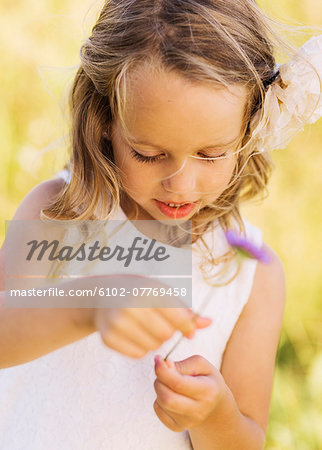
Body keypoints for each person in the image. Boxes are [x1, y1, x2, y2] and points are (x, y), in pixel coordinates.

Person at [0, 0, 321, 448]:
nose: (180, 184)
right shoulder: (64, 215)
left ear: (248, 129)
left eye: (210, 155)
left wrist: (215, 413)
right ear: (106, 121)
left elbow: (246, 437)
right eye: (148, 154)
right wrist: (88, 304)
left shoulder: (250, 275)